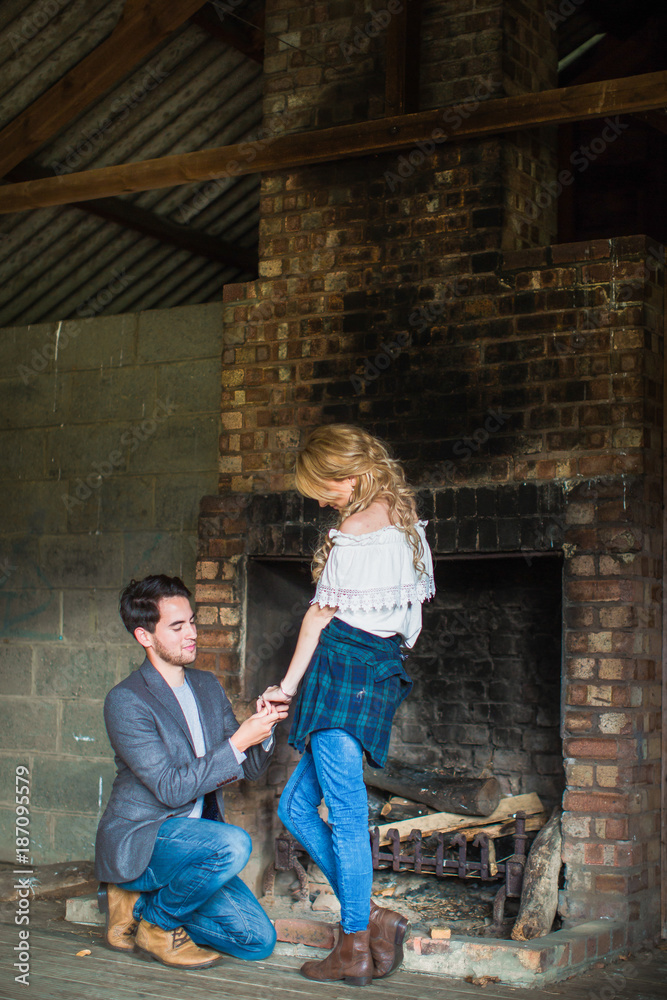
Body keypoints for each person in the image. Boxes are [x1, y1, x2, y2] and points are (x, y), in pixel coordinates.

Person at [261, 424, 435, 987]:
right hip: (378, 670)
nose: (319, 498)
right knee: (295, 808)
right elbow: (412, 624)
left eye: (324, 486)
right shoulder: (405, 521)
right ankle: (376, 917)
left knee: (345, 818)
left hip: (342, 672)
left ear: (352, 473)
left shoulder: (356, 528)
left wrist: (285, 687)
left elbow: (318, 616)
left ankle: (354, 944)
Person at [95, 574, 288, 970]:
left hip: (197, 849)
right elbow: (169, 788)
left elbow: (248, 768)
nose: (192, 634)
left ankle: (143, 901)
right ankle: (157, 925)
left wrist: (262, 728)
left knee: (257, 942)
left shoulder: (206, 686)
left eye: (193, 622)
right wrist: (237, 743)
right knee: (233, 844)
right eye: (177, 626)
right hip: (147, 838)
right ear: (145, 637)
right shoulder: (126, 701)